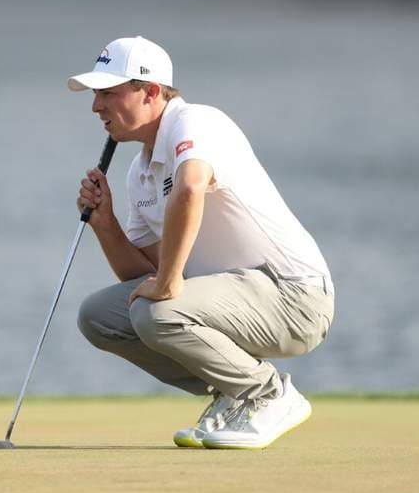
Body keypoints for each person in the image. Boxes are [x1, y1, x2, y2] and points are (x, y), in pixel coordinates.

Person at [70, 36, 335, 449]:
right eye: (95, 94)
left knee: (156, 312)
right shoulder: (139, 173)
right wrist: (106, 224)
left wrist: (169, 282)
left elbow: (190, 187)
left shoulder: (195, 122)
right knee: (101, 316)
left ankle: (266, 394)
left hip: (295, 296)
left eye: (109, 93)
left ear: (152, 91)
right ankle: (231, 392)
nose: (96, 106)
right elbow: (142, 276)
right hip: (239, 298)